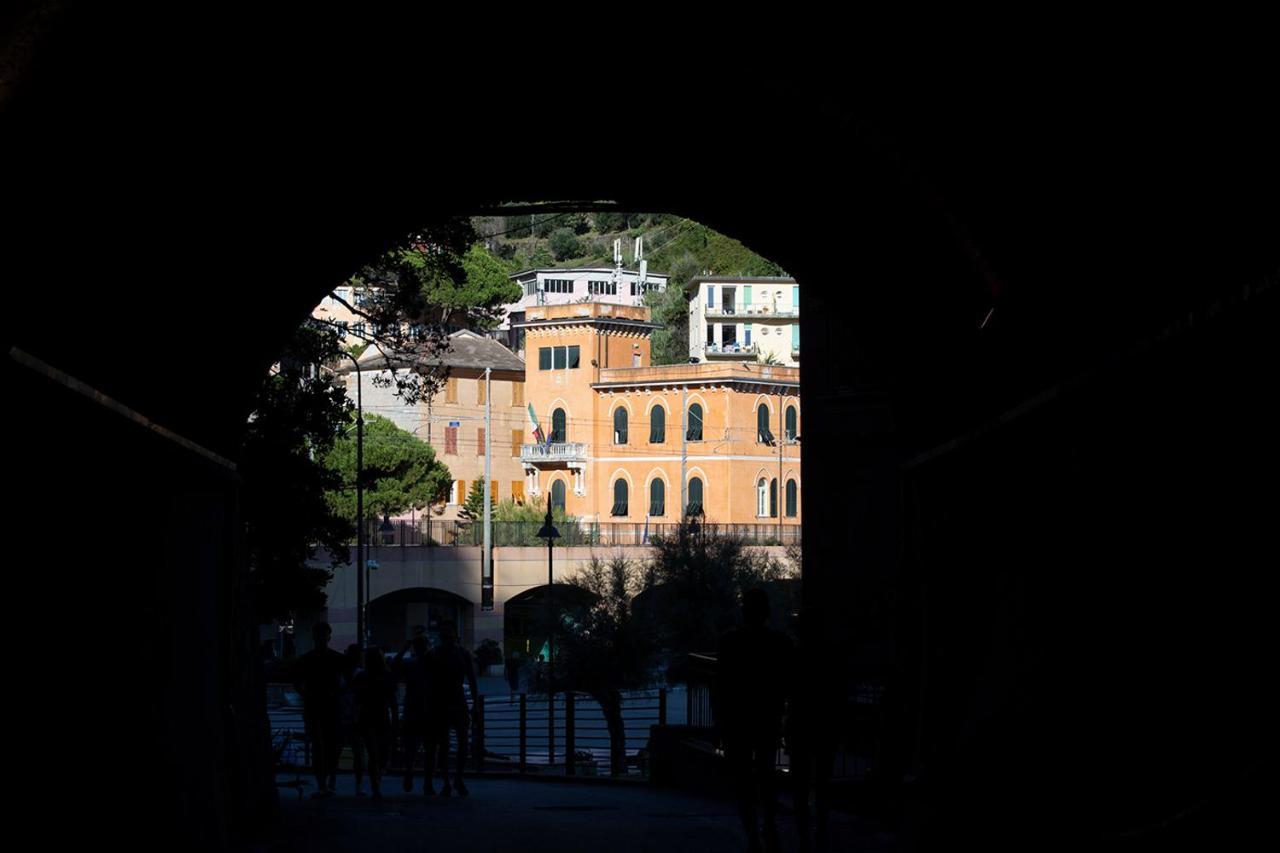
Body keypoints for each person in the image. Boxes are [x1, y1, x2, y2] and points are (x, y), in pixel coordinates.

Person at [713, 589, 794, 853]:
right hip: (767, 718)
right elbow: (787, 683)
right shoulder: (780, 643)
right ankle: (768, 827)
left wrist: (720, 723)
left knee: (743, 781)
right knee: (766, 775)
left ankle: (752, 837)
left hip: (738, 721)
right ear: (767, 611)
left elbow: (722, 686)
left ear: (744, 611)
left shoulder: (729, 642)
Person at [785, 608, 841, 853]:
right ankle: (821, 826)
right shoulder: (830, 656)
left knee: (800, 781)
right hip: (824, 724)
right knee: (823, 779)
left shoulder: (794, 656)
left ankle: (805, 831)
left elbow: (787, 689)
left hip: (800, 723)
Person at [293, 622, 346, 798]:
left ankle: (324, 783)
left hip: (317, 705)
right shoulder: (337, 659)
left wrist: (308, 695)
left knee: (321, 745)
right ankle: (328, 781)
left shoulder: (306, 659)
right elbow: (346, 681)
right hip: (329, 706)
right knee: (330, 745)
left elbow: (297, 683)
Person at [425, 622, 478, 797]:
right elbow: (471, 679)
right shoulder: (460, 654)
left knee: (448, 744)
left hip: (444, 703)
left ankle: (450, 780)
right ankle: (454, 779)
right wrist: (475, 703)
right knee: (456, 743)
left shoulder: (436, 654)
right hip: (451, 702)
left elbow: (470, 679)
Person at [354, 646, 398, 800]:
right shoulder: (387, 676)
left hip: (367, 717)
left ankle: (375, 783)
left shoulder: (362, 677)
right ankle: (377, 779)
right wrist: (396, 718)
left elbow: (357, 700)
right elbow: (392, 701)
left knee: (373, 753)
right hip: (382, 716)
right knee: (382, 752)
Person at [394, 633, 432, 794]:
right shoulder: (433, 664)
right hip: (429, 710)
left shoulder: (410, 664)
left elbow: (395, 666)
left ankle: (409, 773)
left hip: (412, 709)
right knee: (430, 748)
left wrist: (403, 649)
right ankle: (428, 782)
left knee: (410, 747)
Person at [334, 644, 364, 795]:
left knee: (337, 751)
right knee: (357, 752)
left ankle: (330, 783)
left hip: (342, 715)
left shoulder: (339, 675)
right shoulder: (360, 674)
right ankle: (358, 786)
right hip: (354, 716)